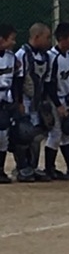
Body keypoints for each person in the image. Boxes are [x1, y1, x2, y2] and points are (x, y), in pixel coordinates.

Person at [14, 23, 53, 182]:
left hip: (38, 101)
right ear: (37, 37)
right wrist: (19, 102)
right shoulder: (22, 54)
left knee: (37, 135)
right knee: (23, 133)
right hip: (25, 100)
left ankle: (33, 166)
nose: (49, 41)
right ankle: (22, 167)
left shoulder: (46, 56)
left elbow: (46, 82)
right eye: (47, 37)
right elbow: (18, 80)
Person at [44, 22, 69, 180]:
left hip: (66, 98)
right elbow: (49, 84)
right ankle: (49, 168)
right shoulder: (53, 57)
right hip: (54, 100)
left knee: (67, 133)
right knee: (56, 133)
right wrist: (58, 106)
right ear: (62, 38)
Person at [0, 23, 18, 183]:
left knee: (3, 136)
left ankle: (0, 170)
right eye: (11, 39)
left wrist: (16, 101)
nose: (14, 42)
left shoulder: (11, 57)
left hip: (5, 99)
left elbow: (16, 80)